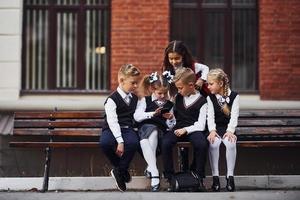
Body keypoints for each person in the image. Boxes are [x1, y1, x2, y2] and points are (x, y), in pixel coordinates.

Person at [161, 68, 208, 191]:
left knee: (202, 144)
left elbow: (201, 125)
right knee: (165, 142)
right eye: (177, 88)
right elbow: (173, 122)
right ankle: (170, 178)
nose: (178, 90)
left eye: (181, 88)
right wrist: (170, 118)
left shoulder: (203, 101)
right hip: (178, 128)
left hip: (194, 129)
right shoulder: (178, 98)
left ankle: (198, 177)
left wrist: (186, 130)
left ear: (191, 85)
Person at [99, 64, 141, 192]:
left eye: (137, 83)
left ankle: (119, 171)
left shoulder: (134, 98)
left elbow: (137, 116)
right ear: (121, 81)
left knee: (133, 143)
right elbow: (112, 122)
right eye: (133, 83)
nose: (135, 86)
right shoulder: (112, 100)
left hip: (127, 128)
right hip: (111, 128)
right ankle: (121, 168)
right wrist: (120, 141)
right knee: (105, 143)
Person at [134, 71, 175, 192]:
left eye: (164, 93)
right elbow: (137, 116)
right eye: (159, 93)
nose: (162, 96)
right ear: (152, 89)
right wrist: (152, 114)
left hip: (161, 131)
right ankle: (154, 171)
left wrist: (171, 119)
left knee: (155, 132)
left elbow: (171, 126)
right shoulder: (144, 100)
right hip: (145, 128)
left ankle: (151, 168)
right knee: (152, 132)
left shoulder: (169, 104)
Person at [206, 68, 239, 192]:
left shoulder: (234, 96)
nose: (208, 87)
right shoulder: (210, 98)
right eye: (208, 84)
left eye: (211, 84)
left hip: (228, 128)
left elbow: (234, 115)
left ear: (220, 83)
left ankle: (230, 177)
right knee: (213, 144)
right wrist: (212, 130)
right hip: (216, 128)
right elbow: (210, 117)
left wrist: (230, 130)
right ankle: (216, 178)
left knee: (230, 144)